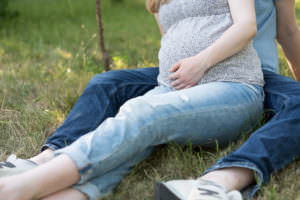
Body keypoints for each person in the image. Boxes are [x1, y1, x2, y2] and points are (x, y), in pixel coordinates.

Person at [0, 0, 264, 200]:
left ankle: (18, 188)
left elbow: (247, 26)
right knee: (128, 132)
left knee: (142, 112)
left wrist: (201, 62)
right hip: (173, 88)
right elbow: (171, 38)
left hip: (233, 86)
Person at [155, 0, 300, 199]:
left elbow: (289, 32)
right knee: (109, 83)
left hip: (250, 74)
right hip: (186, 71)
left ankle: (218, 181)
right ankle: (97, 163)